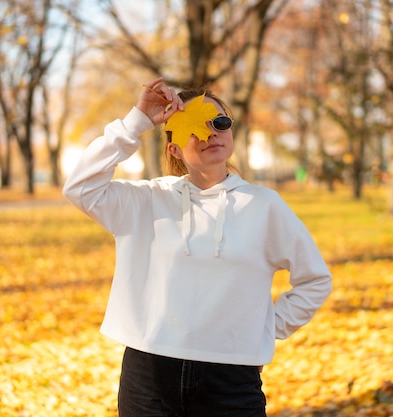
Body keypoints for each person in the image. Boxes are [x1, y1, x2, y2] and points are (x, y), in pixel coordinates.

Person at [62, 77, 332, 417]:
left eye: (219, 123)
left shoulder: (264, 205)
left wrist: (266, 328)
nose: (209, 134)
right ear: (173, 148)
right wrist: (137, 122)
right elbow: (80, 188)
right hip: (149, 375)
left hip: (231, 379)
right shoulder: (147, 200)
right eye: (193, 128)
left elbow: (315, 280)